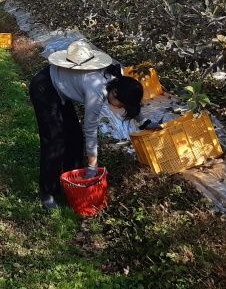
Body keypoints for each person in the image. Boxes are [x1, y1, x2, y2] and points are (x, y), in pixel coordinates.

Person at [27, 39, 143, 210]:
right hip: (45, 88)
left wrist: (145, 121)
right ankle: (48, 192)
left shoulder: (119, 77)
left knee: (74, 137)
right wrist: (92, 165)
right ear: (115, 92)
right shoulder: (96, 91)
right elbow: (91, 130)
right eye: (120, 105)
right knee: (55, 141)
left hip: (61, 89)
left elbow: (131, 100)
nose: (117, 108)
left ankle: (72, 181)